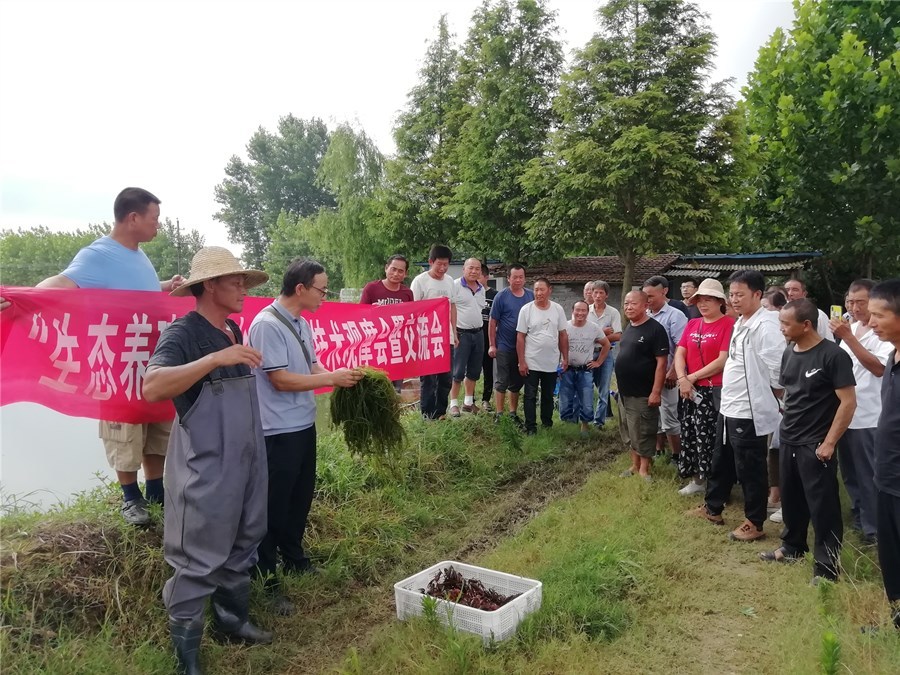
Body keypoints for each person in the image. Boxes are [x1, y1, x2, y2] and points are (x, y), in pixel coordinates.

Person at [142, 247, 273, 674]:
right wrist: (215, 359)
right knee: (197, 557)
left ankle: (233, 620)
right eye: (235, 281)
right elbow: (153, 387)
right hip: (207, 466)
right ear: (210, 285)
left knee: (245, 539)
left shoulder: (234, 328)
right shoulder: (184, 334)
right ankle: (187, 656)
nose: (242, 289)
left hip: (247, 458)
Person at [26, 188, 184, 526]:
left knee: (158, 427)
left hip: (151, 358)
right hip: (118, 363)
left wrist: (165, 285)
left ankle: (156, 493)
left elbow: (134, 289)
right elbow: (61, 283)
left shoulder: (138, 255)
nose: (158, 226)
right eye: (154, 219)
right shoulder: (98, 254)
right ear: (133, 218)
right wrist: (22, 297)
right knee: (124, 430)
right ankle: (131, 499)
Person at [249, 258, 363, 615]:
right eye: (321, 289)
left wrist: (338, 377)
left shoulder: (300, 323)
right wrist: (331, 379)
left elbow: (312, 367)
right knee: (272, 506)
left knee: (299, 498)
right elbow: (279, 379)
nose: (324, 296)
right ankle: (267, 578)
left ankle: (294, 557)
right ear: (300, 289)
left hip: (301, 423)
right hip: (276, 431)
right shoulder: (267, 325)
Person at [759, 299, 856, 584]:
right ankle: (792, 547)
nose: (781, 329)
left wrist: (828, 443)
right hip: (789, 436)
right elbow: (788, 393)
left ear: (806, 325)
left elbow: (848, 403)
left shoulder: (833, 356)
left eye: (785, 324)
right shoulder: (790, 352)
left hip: (816, 443)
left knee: (823, 506)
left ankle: (827, 568)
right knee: (792, 499)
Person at [688, 270, 784, 543]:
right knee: (722, 460)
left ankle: (754, 521)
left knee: (750, 466)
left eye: (740, 295)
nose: (735, 299)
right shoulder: (741, 322)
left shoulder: (766, 326)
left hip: (749, 409)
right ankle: (713, 508)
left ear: (757, 295)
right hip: (730, 405)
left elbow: (777, 371)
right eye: (732, 294)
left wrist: (771, 394)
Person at [830, 279, 893, 544]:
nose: (854, 308)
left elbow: (879, 368)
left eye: (861, 302)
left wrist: (849, 338)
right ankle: (859, 518)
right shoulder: (852, 327)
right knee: (851, 474)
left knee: (870, 475)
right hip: (847, 414)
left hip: (870, 414)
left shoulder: (883, 333)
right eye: (850, 302)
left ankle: (875, 529)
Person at [673, 279, 735, 495]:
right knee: (690, 432)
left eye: (708, 299)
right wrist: (682, 379)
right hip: (688, 389)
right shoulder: (693, 324)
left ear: (720, 302)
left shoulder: (729, 325)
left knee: (711, 436)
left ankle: (717, 483)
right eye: (700, 300)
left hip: (713, 389)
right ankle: (696, 479)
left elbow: (722, 360)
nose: (703, 304)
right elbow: (680, 352)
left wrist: (691, 377)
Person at [868, 279, 900, 630]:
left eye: (879, 315)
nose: (871, 322)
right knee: (891, 557)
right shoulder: (892, 356)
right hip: (886, 474)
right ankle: (898, 619)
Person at [615, 291, 669, 481]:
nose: (628, 307)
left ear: (645, 305)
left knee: (644, 429)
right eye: (626, 304)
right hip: (624, 391)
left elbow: (662, 364)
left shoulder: (655, 329)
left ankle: (645, 469)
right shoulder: (629, 327)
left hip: (644, 392)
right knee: (630, 430)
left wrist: (656, 391)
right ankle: (634, 464)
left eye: (633, 304)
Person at [643, 276, 688, 463]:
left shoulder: (675, 316)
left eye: (651, 296)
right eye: (645, 296)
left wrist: (673, 372)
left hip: (668, 373)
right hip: (647, 374)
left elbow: (682, 346)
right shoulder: (645, 314)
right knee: (653, 414)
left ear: (664, 292)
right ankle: (658, 448)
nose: (648, 300)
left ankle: (678, 455)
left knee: (669, 414)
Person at [410, 245, 458, 420]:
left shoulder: (450, 281)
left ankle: (440, 412)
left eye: (446, 265)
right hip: (426, 337)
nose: (443, 268)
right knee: (429, 379)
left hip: (446, 337)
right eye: (439, 264)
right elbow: (413, 309)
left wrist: (454, 331)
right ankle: (427, 414)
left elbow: (452, 306)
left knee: (446, 377)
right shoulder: (420, 281)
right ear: (431, 262)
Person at [516, 278, 568, 435]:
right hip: (531, 361)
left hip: (551, 362)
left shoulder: (558, 309)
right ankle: (530, 426)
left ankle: (547, 424)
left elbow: (563, 335)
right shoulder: (526, 309)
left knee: (548, 395)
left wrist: (565, 358)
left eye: (542, 289)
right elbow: (520, 337)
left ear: (549, 290)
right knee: (530, 395)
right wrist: (521, 361)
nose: (538, 293)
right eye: (536, 290)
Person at [359, 254, 413, 393]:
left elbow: (410, 319)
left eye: (401, 271)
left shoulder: (407, 293)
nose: (396, 273)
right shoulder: (371, 288)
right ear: (386, 268)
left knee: (395, 391)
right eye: (393, 269)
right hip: (376, 347)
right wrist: (372, 311)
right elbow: (359, 316)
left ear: (405, 274)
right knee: (375, 387)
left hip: (397, 349)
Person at [488, 265, 533, 421]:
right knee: (501, 381)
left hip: (524, 348)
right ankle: (499, 414)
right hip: (504, 346)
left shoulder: (531, 296)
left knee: (517, 382)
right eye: (515, 277)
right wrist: (492, 345)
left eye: (521, 277)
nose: (518, 280)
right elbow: (493, 322)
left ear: (525, 278)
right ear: (509, 279)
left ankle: (513, 413)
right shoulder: (501, 296)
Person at [561, 301, 610, 437]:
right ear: (572, 311)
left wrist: (598, 362)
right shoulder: (564, 326)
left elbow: (606, 344)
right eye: (577, 310)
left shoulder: (593, 328)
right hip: (567, 370)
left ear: (587, 313)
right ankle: (568, 428)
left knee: (587, 401)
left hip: (585, 370)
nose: (580, 313)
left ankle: (585, 426)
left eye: (583, 311)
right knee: (565, 400)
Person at [449, 258, 487, 416]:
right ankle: (453, 404)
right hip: (461, 334)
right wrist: (453, 333)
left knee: (474, 370)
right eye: (471, 268)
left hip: (478, 333)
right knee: (457, 371)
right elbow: (450, 308)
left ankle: (468, 402)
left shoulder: (481, 288)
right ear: (463, 269)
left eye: (477, 269)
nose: (474, 271)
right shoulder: (455, 285)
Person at [587, 280, 622, 429]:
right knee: (587, 387)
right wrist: (603, 333)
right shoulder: (585, 311)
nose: (598, 295)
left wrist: (596, 337)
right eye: (595, 292)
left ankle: (598, 422)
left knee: (604, 388)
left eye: (601, 293)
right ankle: (585, 420)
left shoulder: (613, 312)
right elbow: (579, 333)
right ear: (591, 293)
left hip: (606, 353)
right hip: (588, 354)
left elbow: (618, 335)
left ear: (606, 295)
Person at [479, 263, 498, 412]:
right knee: (471, 370)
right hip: (473, 336)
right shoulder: (469, 293)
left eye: (479, 275)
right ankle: (469, 399)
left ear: (486, 277)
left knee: (488, 370)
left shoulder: (495, 295)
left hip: (489, 338)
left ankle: (486, 399)